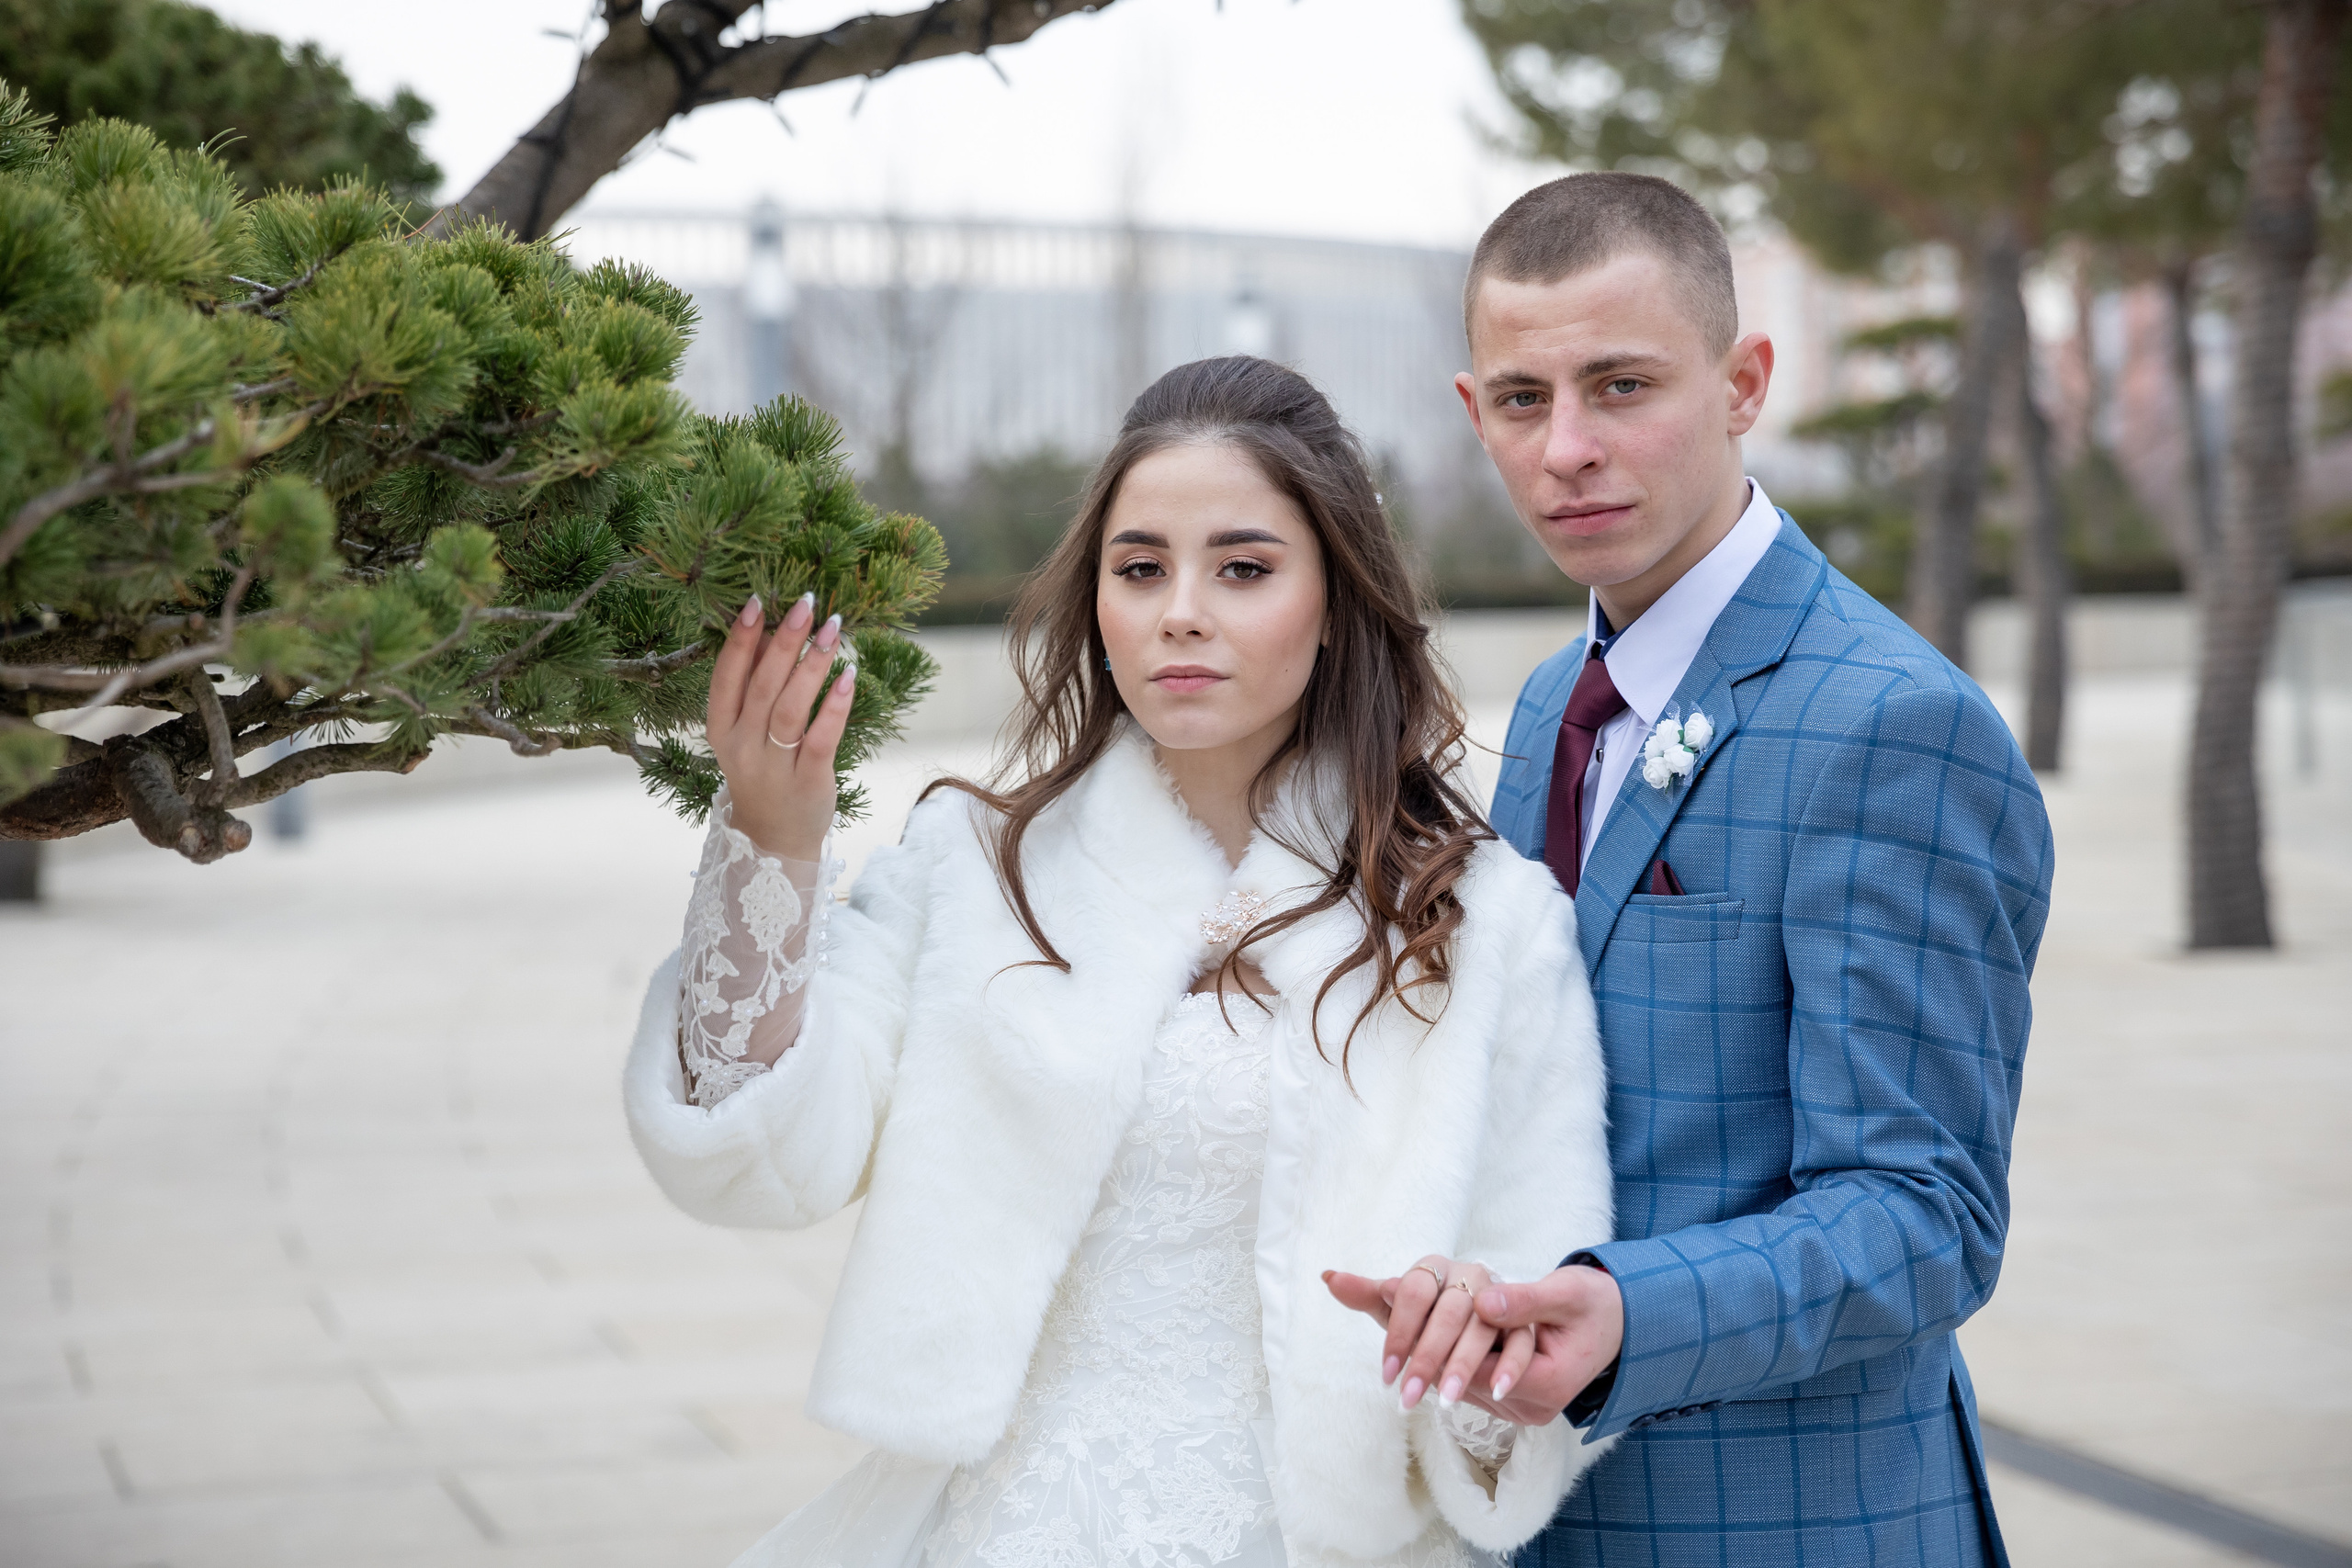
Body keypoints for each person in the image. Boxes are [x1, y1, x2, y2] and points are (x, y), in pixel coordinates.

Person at [623, 356, 1617, 1567]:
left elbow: (1534, 1330)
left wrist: (1471, 1339)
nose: (1179, 612)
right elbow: (763, 1149)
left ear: (1336, 599)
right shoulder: (972, 866)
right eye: (1140, 568)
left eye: (1243, 569)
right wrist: (774, 841)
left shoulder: (1485, 922)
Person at [1326, 174, 2055, 1566]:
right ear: (1475, 412)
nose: (1569, 449)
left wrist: (1629, 1312)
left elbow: (1926, 1216)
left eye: (1622, 386)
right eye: (1525, 400)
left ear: (1744, 384)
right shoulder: (1555, 699)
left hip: (1788, 1526)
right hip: (1538, 1516)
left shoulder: (1894, 726)